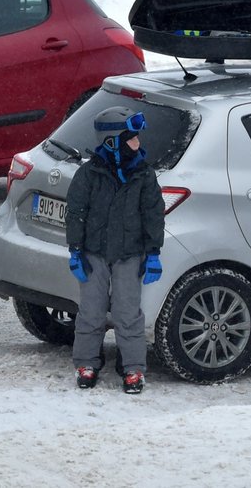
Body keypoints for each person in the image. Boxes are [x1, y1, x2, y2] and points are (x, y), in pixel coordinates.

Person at [65, 107, 165, 394]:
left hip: (129, 255)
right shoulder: (89, 174)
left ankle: (133, 367)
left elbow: (153, 214)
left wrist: (153, 252)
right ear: (113, 142)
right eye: (132, 138)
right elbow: (76, 213)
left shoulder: (143, 175)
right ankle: (86, 362)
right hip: (93, 254)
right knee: (91, 312)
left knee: (128, 313)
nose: (138, 143)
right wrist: (75, 250)